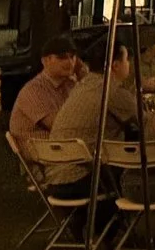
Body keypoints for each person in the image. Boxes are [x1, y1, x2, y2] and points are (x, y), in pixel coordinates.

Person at [50, 36, 142, 175]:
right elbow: (146, 122)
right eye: (126, 59)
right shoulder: (111, 90)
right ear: (116, 65)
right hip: (84, 175)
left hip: (55, 172)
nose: (129, 64)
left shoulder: (84, 85)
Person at [8, 34, 80, 142]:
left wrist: (85, 78)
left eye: (72, 57)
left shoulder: (71, 84)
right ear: (45, 61)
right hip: (39, 147)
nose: (70, 62)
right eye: (62, 57)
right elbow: (59, 126)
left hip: (61, 144)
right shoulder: (33, 90)